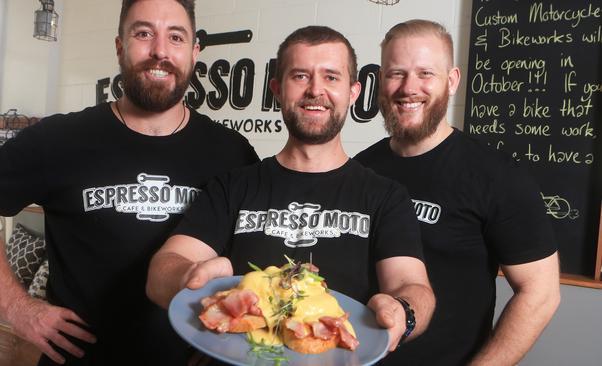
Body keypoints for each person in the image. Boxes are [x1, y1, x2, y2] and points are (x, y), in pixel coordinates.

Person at [0, 0, 258, 365]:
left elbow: (250, 250)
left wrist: (228, 342)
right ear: (119, 47)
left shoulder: (232, 152)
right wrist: (17, 307)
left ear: (194, 53)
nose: (160, 50)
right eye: (143, 33)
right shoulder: (61, 139)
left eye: (175, 37)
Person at [146, 25, 436, 356]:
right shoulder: (233, 186)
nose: (316, 90)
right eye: (300, 76)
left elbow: (411, 286)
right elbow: (161, 272)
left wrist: (404, 312)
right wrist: (190, 278)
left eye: (331, 77)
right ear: (277, 89)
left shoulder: (385, 196)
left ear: (353, 92)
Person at [355, 19, 561, 366]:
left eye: (425, 74)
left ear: (451, 81)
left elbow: (541, 293)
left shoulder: (496, 176)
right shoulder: (361, 169)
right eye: (396, 74)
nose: (409, 88)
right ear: (380, 82)